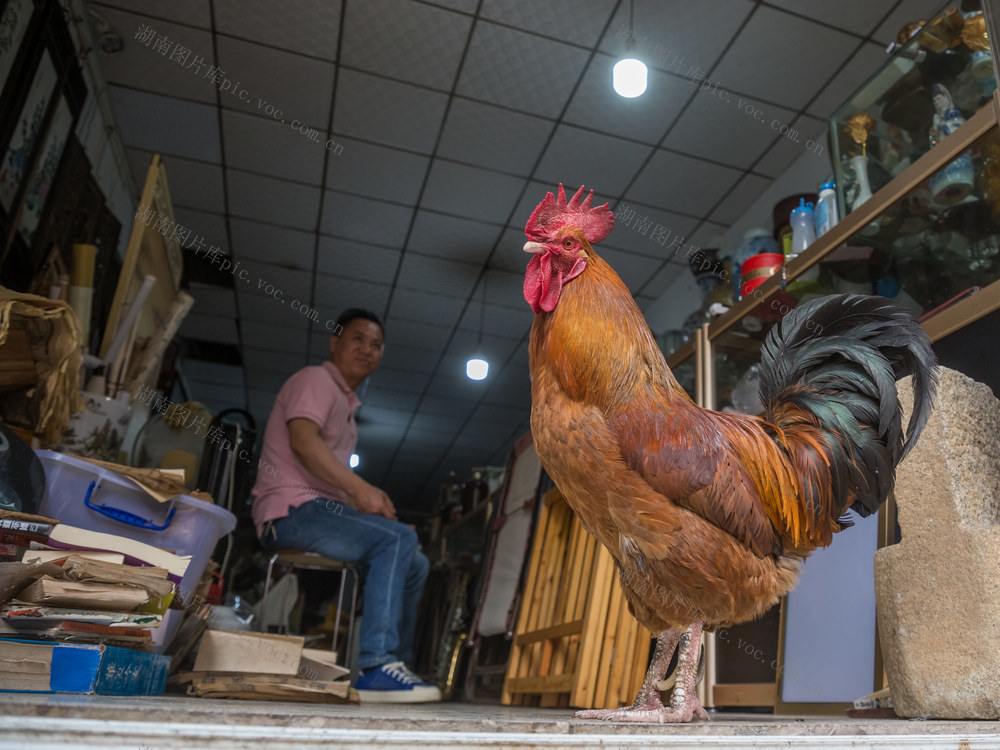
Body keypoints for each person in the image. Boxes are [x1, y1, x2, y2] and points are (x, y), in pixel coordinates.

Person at [250, 308, 440, 703]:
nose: (367, 350)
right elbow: (303, 441)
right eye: (358, 339)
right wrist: (361, 490)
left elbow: (334, 485)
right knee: (397, 540)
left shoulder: (346, 408)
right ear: (334, 342)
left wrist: (373, 509)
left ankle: (395, 667)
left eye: (376, 345)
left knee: (414, 560)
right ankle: (377, 665)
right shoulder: (316, 380)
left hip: (318, 510)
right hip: (290, 511)